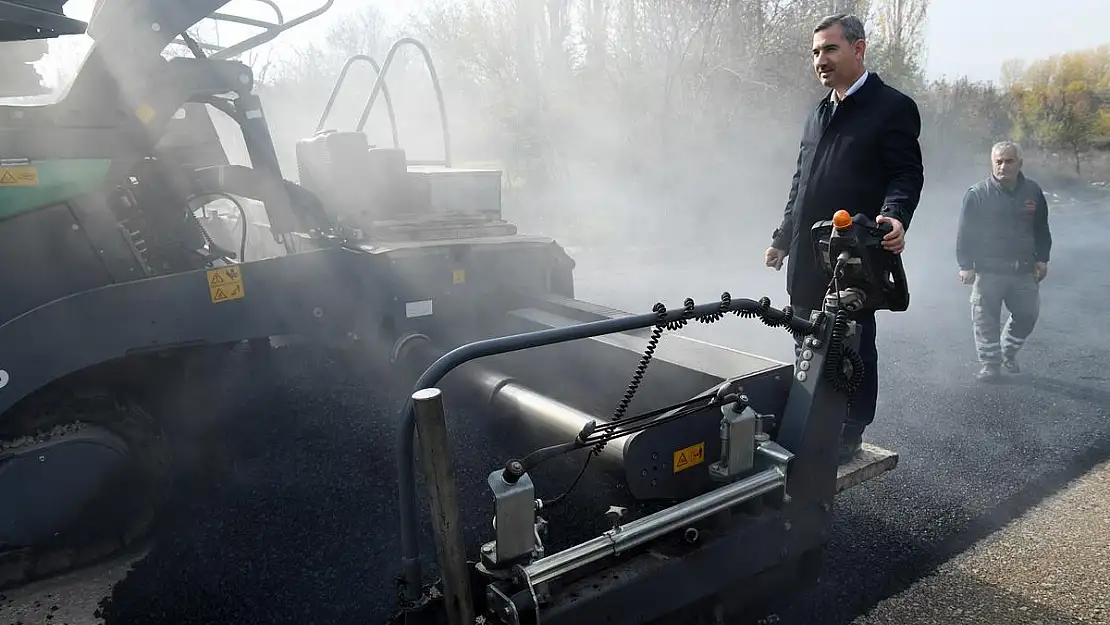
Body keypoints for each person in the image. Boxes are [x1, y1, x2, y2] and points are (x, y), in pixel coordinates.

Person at [763, 13, 924, 462]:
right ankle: (809, 415)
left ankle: (850, 429)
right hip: (807, 254)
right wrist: (782, 238)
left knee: (852, 339)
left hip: (853, 252)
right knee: (804, 334)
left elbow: (905, 173)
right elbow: (802, 182)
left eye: (830, 49)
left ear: (858, 49)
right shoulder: (818, 112)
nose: (820, 60)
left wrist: (893, 218)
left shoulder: (891, 107)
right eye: (815, 52)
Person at [956, 140, 1051, 382]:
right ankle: (990, 365)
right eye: (998, 161)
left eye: (1009, 161)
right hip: (988, 270)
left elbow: (1041, 228)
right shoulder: (977, 194)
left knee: (1028, 314)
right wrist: (965, 265)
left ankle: (1007, 350)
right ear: (992, 163)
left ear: (1020, 163)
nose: (1003, 166)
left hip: (1023, 269)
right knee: (985, 320)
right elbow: (965, 232)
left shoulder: (1033, 192)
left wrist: (1042, 259)